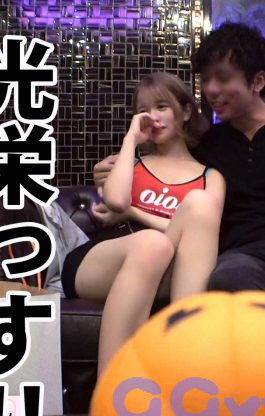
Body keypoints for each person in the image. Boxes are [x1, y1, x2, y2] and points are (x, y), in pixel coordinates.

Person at [94, 23, 265, 318]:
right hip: (239, 255)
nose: (211, 90)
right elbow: (169, 175)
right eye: (206, 79)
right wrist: (112, 173)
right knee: (229, 279)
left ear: (257, 81)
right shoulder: (207, 143)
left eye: (223, 78)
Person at [62, 72, 225, 375]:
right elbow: (116, 201)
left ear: (185, 112)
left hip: (163, 265)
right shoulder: (129, 163)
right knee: (153, 243)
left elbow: (198, 235)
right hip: (102, 261)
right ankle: (110, 389)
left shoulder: (210, 177)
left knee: (194, 211)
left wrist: (135, 212)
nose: (152, 117)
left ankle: (184, 358)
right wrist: (131, 140)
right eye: (143, 111)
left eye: (161, 106)